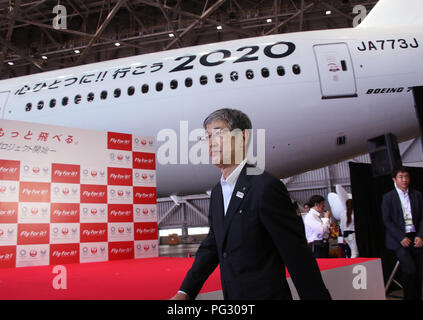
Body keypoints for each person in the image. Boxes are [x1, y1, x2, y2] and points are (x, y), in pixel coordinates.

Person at [171, 108, 331, 300]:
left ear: (243, 137)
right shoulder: (217, 193)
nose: (211, 143)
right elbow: (213, 244)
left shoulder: (265, 187)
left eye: (219, 134)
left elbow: (296, 254)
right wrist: (186, 291)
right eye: (207, 137)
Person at [382, 166, 423, 300]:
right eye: (401, 177)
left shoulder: (417, 195)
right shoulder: (388, 197)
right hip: (398, 239)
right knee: (410, 269)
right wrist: (401, 237)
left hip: (415, 237)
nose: (404, 180)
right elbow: (387, 220)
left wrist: (420, 235)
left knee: (418, 271)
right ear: (394, 179)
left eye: (406, 177)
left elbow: (422, 217)